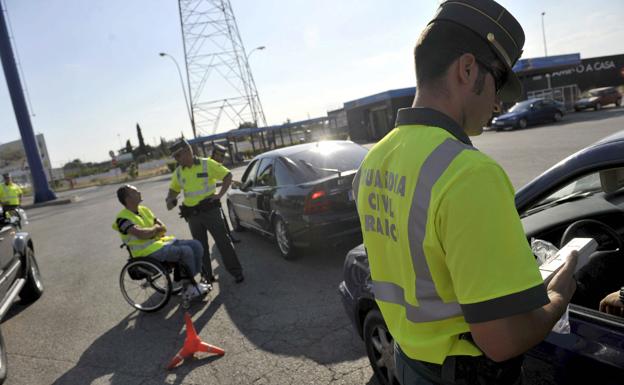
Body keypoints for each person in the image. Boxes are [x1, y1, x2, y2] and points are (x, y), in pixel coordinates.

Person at [352, 1, 578, 383]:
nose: (497, 103)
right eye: (498, 81)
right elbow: (501, 341)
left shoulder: (373, 161)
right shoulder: (468, 174)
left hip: (410, 362)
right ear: (467, 68)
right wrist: (561, 294)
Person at [165, 139, 244, 284]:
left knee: (223, 242)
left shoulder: (207, 164)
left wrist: (219, 195)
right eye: (175, 157)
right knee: (200, 248)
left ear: (188, 151)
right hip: (192, 216)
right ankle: (207, 277)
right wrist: (170, 199)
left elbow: (227, 176)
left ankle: (236, 272)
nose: (176, 159)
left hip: (210, 211)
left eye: (178, 155)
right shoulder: (178, 172)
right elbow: (173, 191)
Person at [112, 184, 210, 300]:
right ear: (128, 199)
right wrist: (155, 230)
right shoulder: (122, 219)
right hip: (145, 252)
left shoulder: (144, 210)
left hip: (160, 243)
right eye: (135, 192)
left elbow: (163, 227)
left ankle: (190, 281)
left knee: (196, 245)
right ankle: (188, 286)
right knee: (186, 251)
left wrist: (153, 231)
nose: (139, 193)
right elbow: (141, 234)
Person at [210, 143, 241, 244]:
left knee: (223, 220)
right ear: (215, 155)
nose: (223, 159)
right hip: (209, 201)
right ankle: (226, 240)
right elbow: (227, 176)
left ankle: (229, 237)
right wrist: (219, 194)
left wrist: (231, 181)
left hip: (211, 200)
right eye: (222, 156)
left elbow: (213, 181)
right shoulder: (211, 164)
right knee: (220, 222)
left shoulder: (209, 164)